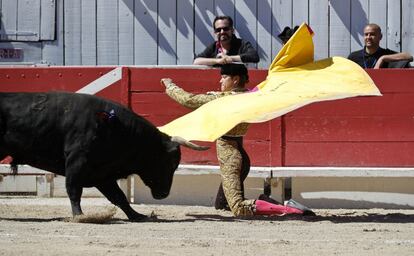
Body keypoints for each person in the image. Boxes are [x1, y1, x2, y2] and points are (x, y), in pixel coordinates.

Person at [161, 64, 314, 217]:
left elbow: (188, 100)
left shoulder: (223, 99)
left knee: (238, 207)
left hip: (230, 158)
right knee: (221, 204)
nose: (220, 81)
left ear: (235, 80)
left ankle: (290, 209)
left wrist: (169, 85)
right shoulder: (252, 96)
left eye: (224, 77)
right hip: (240, 156)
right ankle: (269, 202)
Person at [193, 16, 259, 66]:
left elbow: (254, 56)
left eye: (225, 29)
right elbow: (196, 61)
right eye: (218, 30)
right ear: (215, 32)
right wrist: (217, 61)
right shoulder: (213, 46)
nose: (222, 32)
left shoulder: (242, 44)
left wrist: (230, 58)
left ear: (232, 30)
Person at [348, 23, 413, 69]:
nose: (368, 37)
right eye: (366, 34)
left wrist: (382, 58)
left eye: (372, 34)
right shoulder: (353, 57)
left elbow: (409, 56)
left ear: (380, 37)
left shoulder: (386, 54)